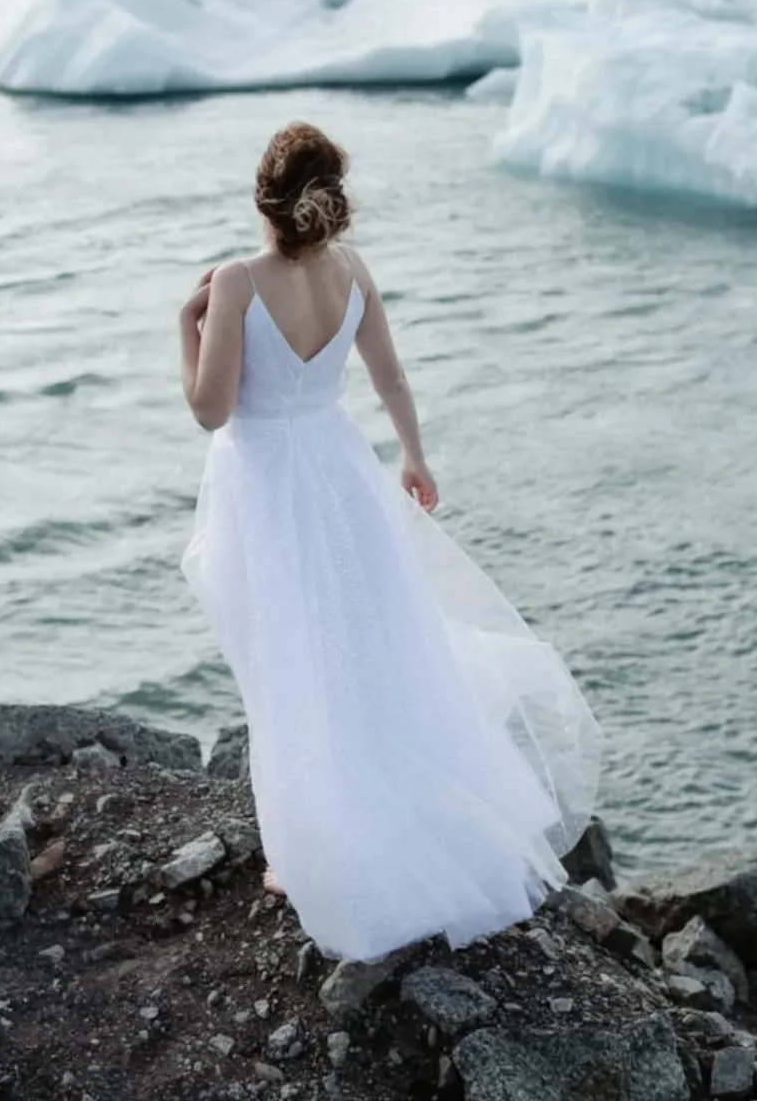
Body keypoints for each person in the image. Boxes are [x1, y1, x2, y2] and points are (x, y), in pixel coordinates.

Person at [178, 120, 602, 964]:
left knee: (287, 659)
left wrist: (184, 326)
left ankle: (309, 855)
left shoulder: (234, 283)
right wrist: (414, 456)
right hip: (342, 473)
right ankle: (397, 821)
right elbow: (389, 375)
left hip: (266, 488)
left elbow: (210, 410)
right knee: (372, 646)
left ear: (264, 198)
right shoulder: (353, 272)